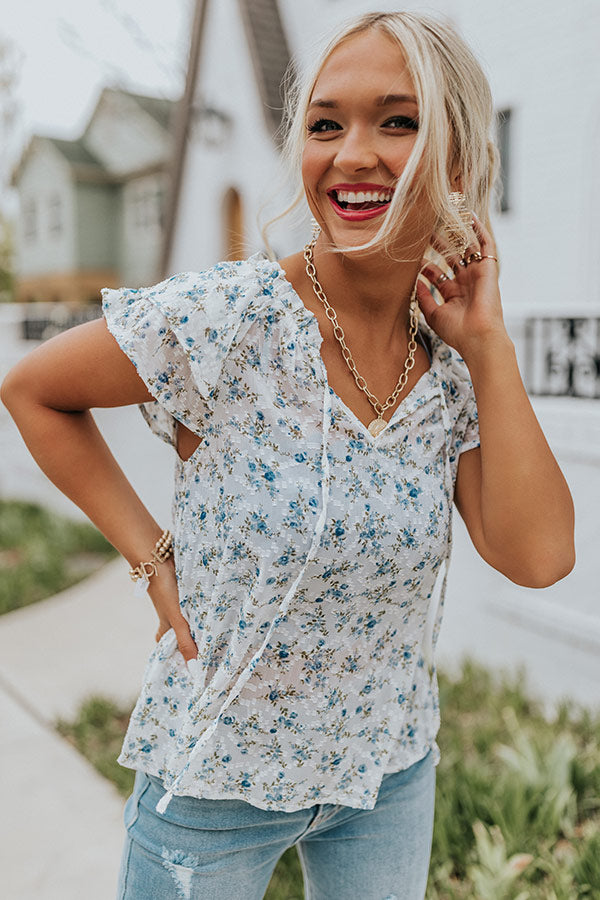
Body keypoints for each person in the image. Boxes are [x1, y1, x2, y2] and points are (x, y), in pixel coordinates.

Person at [1, 10, 575, 900]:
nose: (353, 154)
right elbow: (33, 389)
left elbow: (538, 557)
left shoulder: (453, 366)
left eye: (397, 121)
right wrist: (151, 557)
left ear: (458, 158)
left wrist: (490, 346)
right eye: (325, 125)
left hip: (386, 773)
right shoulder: (232, 319)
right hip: (215, 777)